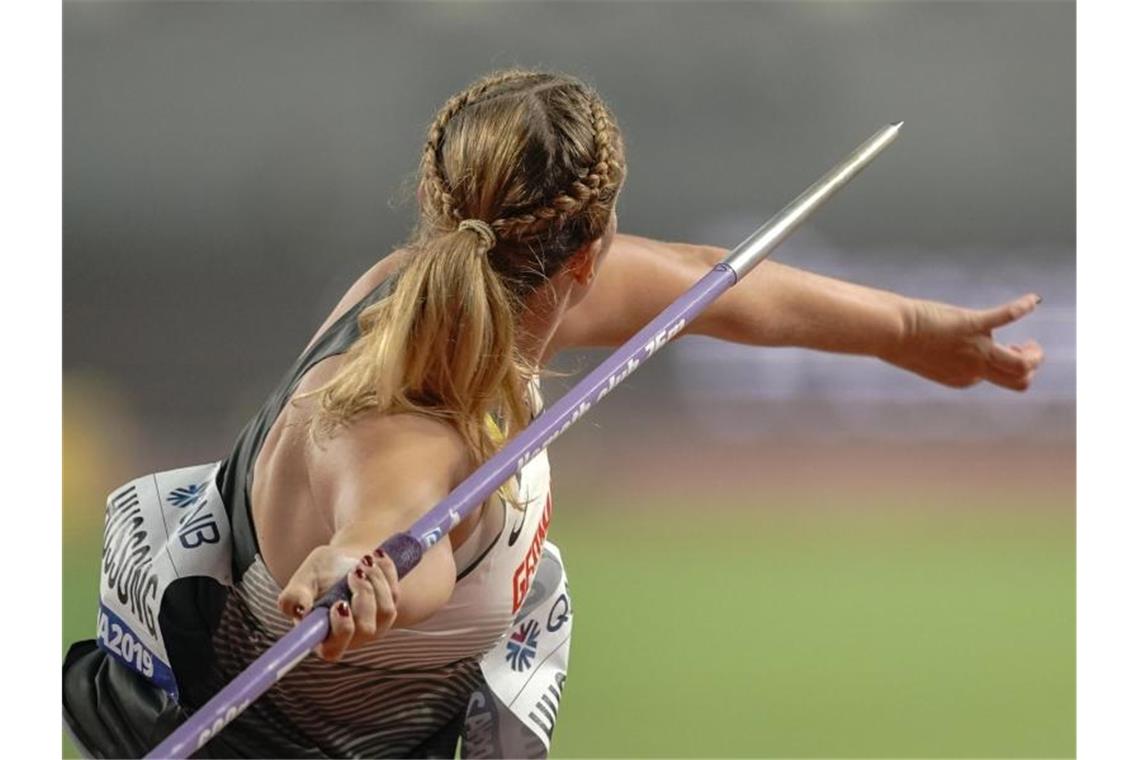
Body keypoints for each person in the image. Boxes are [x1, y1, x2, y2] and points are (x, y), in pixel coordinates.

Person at [62, 69, 1044, 759]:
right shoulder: (400, 423)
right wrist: (355, 574)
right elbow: (397, 532)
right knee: (533, 592)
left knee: (534, 594)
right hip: (267, 727)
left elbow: (715, 286)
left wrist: (909, 329)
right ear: (589, 249)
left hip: (382, 711)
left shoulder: (462, 282)